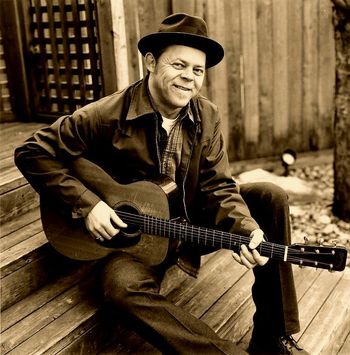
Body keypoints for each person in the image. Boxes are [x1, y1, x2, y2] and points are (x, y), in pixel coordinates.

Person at [15, 13, 309, 355]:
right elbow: (32, 151)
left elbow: (218, 186)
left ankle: (274, 336)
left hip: (187, 223)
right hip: (135, 240)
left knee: (269, 195)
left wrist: (245, 228)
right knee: (121, 287)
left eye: (197, 70)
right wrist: (88, 203)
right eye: (179, 65)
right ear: (151, 62)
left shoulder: (206, 115)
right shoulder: (106, 114)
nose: (189, 78)